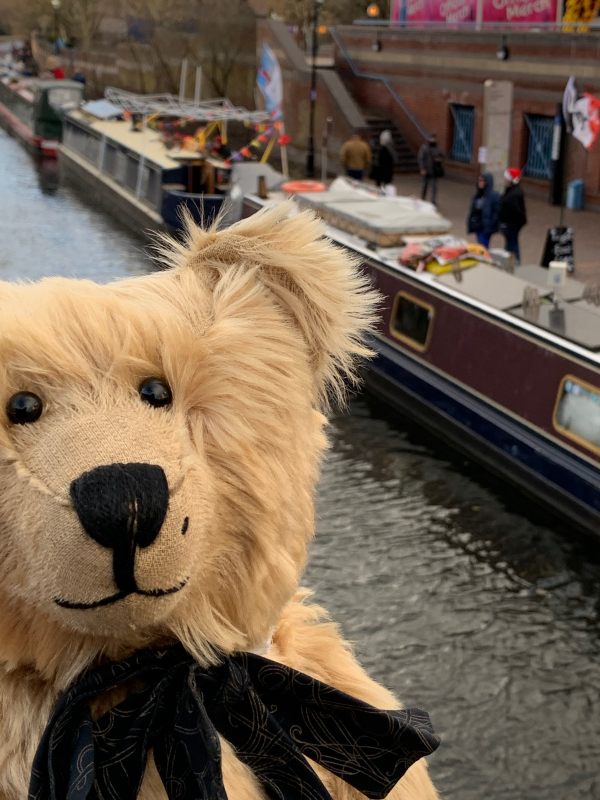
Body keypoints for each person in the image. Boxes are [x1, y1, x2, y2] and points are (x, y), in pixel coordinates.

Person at [499, 167, 527, 264]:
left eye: (506, 178)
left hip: (511, 225)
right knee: (509, 244)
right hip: (510, 225)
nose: (505, 180)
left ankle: (516, 263)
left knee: (512, 244)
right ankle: (509, 262)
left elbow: (516, 211)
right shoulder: (512, 191)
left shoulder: (514, 194)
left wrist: (507, 223)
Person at [467, 172, 500, 249]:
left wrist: (491, 224)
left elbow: (497, 212)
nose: (480, 183)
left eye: (482, 181)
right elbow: (473, 210)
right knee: (480, 245)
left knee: (483, 247)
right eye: (479, 180)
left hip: (486, 227)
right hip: (478, 225)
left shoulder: (493, 196)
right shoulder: (477, 195)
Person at [418, 134, 444, 205]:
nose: (433, 140)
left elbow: (442, 156)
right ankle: (423, 199)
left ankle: (433, 201)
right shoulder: (424, 148)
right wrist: (422, 168)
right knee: (425, 186)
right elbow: (421, 158)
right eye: (432, 138)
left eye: (434, 139)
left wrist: (439, 159)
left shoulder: (437, 148)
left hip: (434, 170)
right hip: (426, 170)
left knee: (434, 187)